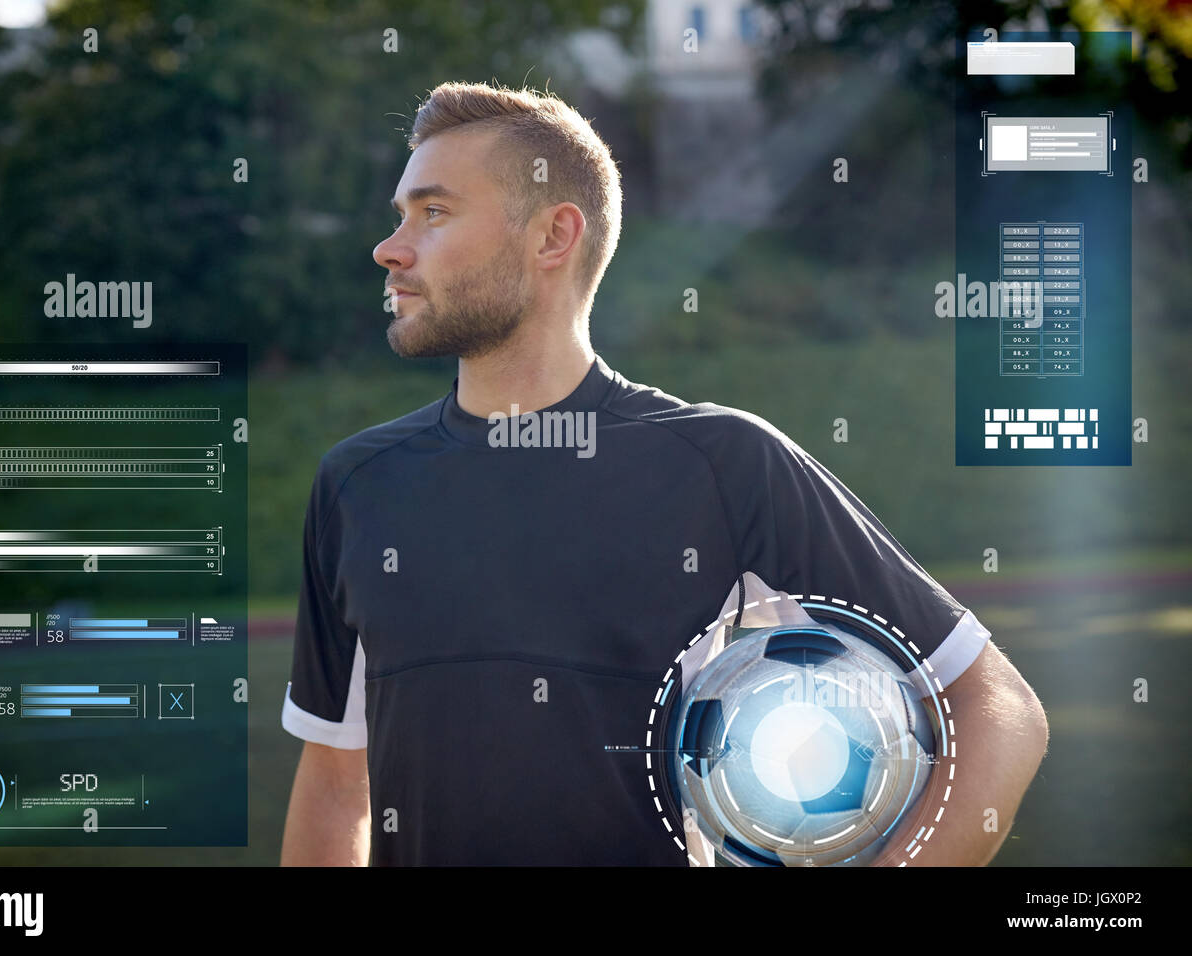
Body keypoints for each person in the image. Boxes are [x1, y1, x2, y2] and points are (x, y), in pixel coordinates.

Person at [280, 81, 1048, 866]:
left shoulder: (723, 462)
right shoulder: (358, 484)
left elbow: (995, 710)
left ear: (553, 237)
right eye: (399, 215)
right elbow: (339, 782)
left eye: (433, 213)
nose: (391, 247)